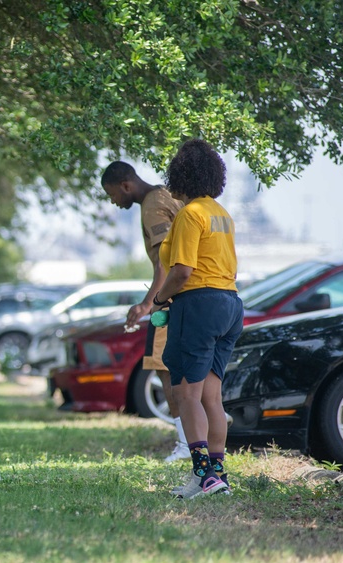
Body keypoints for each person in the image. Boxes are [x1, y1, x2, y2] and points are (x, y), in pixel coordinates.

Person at [150, 139, 243, 498]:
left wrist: (159, 299)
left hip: (199, 304)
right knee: (211, 396)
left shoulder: (190, 214)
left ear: (180, 175)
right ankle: (217, 475)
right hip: (230, 304)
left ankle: (203, 476)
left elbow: (183, 271)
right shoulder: (221, 213)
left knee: (185, 394)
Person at [101, 161, 189, 462]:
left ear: (126, 186)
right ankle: (200, 434)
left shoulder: (151, 205)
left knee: (164, 369)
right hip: (189, 297)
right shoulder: (167, 195)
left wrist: (148, 303)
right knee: (185, 370)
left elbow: (166, 262)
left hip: (172, 301)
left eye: (112, 194)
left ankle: (186, 444)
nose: (114, 201)